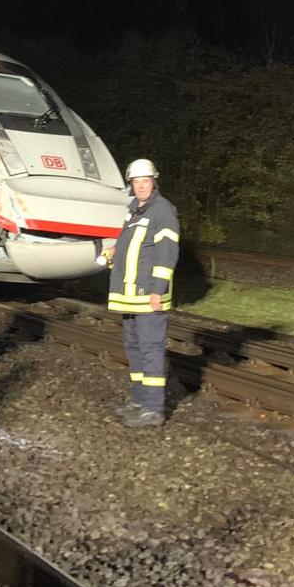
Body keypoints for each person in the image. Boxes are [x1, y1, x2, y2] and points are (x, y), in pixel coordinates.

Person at [106, 158, 180, 428]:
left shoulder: (162, 211)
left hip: (148, 296)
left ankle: (153, 409)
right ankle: (139, 401)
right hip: (130, 296)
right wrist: (115, 252)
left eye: (145, 181)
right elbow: (132, 245)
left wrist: (157, 290)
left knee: (150, 350)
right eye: (136, 182)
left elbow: (167, 252)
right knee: (134, 349)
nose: (140, 186)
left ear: (153, 182)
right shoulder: (134, 210)